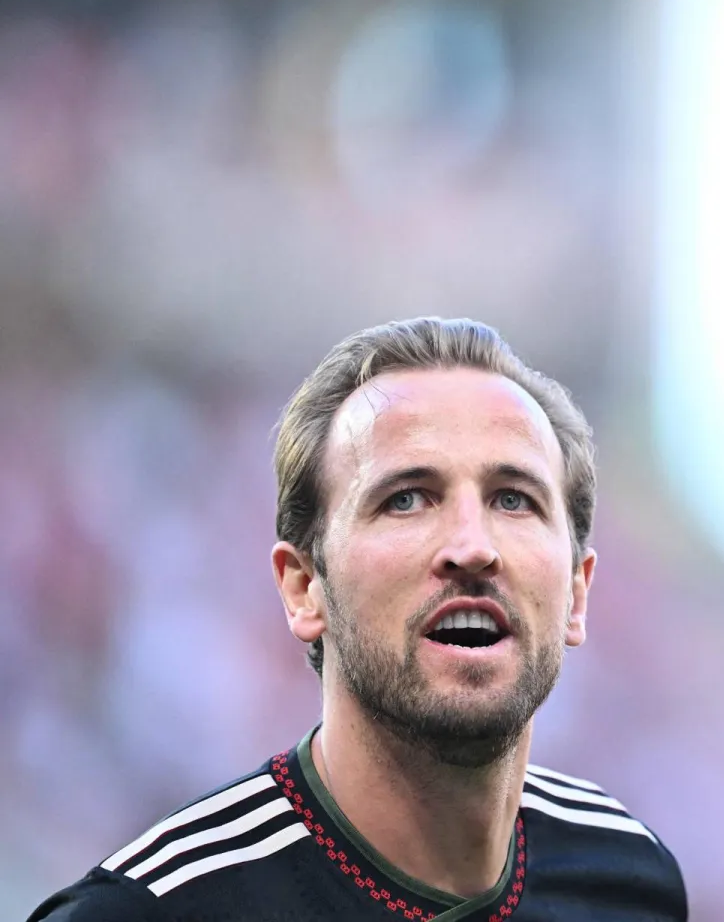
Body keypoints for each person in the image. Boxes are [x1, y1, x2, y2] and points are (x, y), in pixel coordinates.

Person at [29, 317, 688, 921]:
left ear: (577, 591)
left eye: (513, 499)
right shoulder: (153, 913)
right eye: (406, 499)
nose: (472, 546)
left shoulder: (629, 880)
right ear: (303, 587)